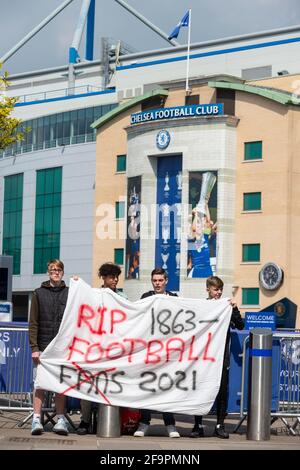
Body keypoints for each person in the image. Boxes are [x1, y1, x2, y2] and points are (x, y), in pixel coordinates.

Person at [190, 275, 244, 439]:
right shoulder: (202, 306)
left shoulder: (226, 307)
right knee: (199, 389)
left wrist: (234, 308)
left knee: (222, 391)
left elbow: (240, 325)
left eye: (220, 289)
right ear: (208, 289)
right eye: (215, 289)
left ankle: (220, 425)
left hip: (222, 357)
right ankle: (198, 425)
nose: (218, 293)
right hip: (203, 357)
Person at [77, 262, 127, 435]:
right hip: (94, 349)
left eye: (116, 277)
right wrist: (77, 285)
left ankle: (106, 420)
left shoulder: (123, 297)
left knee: (111, 387)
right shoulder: (94, 295)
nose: (115, 280)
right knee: (88, 387)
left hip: (113, 351)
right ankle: (84, 420)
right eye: (112, 277)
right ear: (104, 278)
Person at [134, 268, 180, 439]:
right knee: (147, 387)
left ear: (166, 281)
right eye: (155, 280)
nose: (158, 283)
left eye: (160, 280)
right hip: (149, 351)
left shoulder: (175, 298)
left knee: (167, 387)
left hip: (168, 353)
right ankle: (144, 422)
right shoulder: (146, 297)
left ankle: (170, 424)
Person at [29, 259, 69, 436]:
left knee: (60, 386)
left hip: (62, 349)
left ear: (62, 272)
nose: (55, 272)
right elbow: (33, 323)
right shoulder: (38, 293)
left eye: (59, 269)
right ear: (48, 272)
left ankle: (60, 419)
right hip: (43, 347)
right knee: (40, 385)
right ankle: (36, 419)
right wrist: (34, 347)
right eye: (52, 269)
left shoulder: (70, 293)